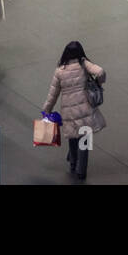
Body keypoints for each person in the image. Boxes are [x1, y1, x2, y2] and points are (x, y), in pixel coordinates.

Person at [42, 41, 106, 181]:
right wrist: (98, 83)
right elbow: (100, 72)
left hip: (68, 111)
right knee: (84, 141)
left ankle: (72, 163)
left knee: (72, 138)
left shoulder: (60, 71)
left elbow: (53, 94)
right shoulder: (84, 65)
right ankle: (81, 171)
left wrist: (46, 110)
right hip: (85, 109)